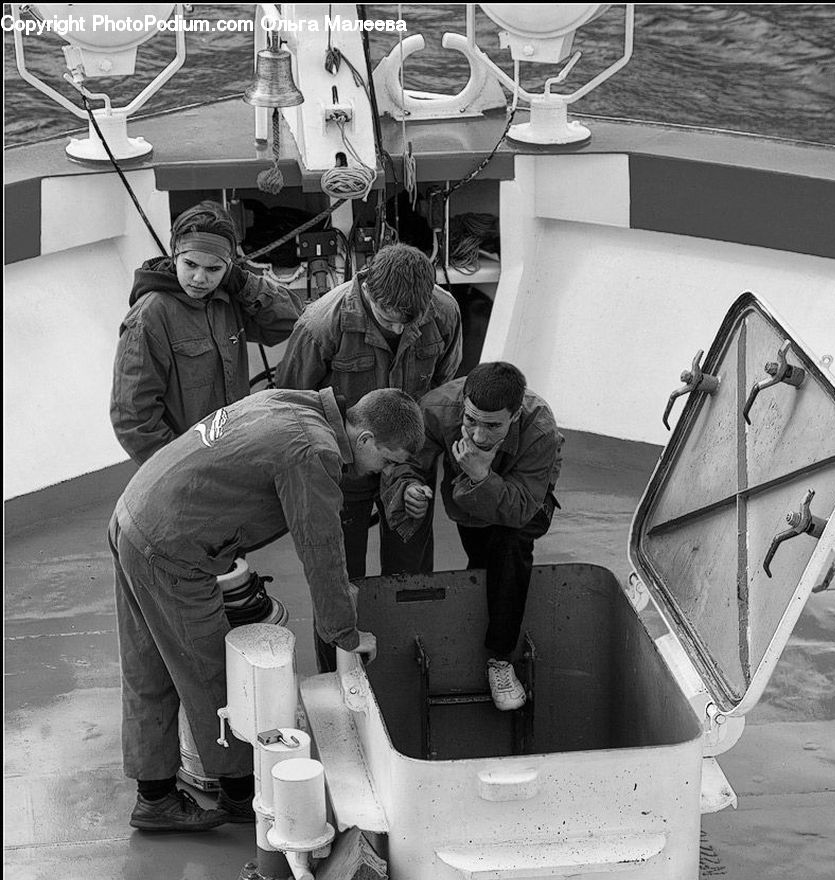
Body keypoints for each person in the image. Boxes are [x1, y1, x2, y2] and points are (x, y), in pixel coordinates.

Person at [108, 386, 424, 832]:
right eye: (388, 461)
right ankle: (241, 793)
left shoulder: (293, 402)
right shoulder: (313, 451)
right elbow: (321, 549)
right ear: (367, 439)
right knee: (215, 672)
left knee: (149, 666)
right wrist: (346, 633)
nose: (385, 471)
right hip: (171, 551)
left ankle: (155, 796)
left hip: (134, 515)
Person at [276, 242, 462, 584]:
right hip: (344, 467)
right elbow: (291, 406)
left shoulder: (444, 311)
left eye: (408, 322)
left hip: (409, 458)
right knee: (342, 578)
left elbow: (442, 385)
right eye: (387, 318)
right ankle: (344, 638)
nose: (396, 330)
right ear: (367, 290)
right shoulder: (320, 325)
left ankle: (408, 634)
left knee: (412, 572)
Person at [383, 362, 564, 711]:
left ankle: (499, 658)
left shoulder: (540, 428)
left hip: (525, 499)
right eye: (471, 421)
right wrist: (409, 488)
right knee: (484, 557)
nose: (479, 436)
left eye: (493, 425)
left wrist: (481, 474)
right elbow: (405, 460)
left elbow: (522, 508)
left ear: (515, 415)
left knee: (511, 545)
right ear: (462, 403)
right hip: (467, 503)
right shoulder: (436, 410)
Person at [111, 200, 303, 465]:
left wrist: (245, 283)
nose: (200, 278)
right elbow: (132, 417)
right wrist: (180, 467)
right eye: (190, 264)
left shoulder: (229, 298)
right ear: (174, 254)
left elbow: (291, 320)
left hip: (236, 453)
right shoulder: (150, 317)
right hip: (189, 470)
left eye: (213, 269)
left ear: (228, 267)